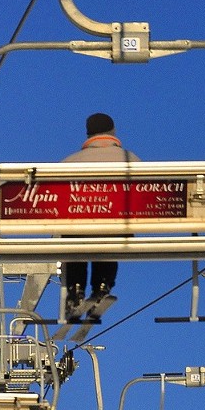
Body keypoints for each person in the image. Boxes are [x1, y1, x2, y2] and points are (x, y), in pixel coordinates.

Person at [62, 112, 139, 315]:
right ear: (113, 132)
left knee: (72, 237)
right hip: (116, 228)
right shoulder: (131, 160)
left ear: (88, 134)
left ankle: (75, 289)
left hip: (78, 229)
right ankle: (103, 285)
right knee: (111, 230)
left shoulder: (69, 162)